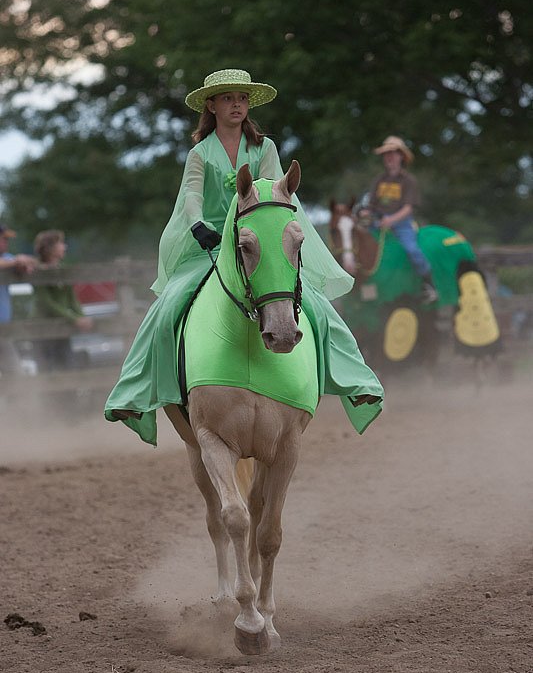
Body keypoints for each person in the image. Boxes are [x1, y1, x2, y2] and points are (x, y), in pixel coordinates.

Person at [105, 69, 383, 444]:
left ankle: (355, 381)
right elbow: (190, 195)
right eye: (228, 98)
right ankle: (134, 393)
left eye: (242, 98)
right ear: (211, 105)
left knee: (316, 303)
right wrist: (198, 224)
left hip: (260, 241)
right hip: (212, 244)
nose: (236, 104)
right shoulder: (199, 153)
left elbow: (275, 190)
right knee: (168, 304)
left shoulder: (265, 147)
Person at [364, 136, 438, 304]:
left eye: (393, 153)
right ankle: (365, 289)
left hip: (402, 224)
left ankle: (429, 285)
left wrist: (391, 220)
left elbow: (409, 208)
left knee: (412, 250)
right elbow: (371, 205)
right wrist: (365, 213)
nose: (389, 156)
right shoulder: (379, 180)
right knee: (362, 247)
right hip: (378, 223)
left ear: (401, 157)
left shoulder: (408, 181)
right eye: (386, 153)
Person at [33, 230, 93, 369]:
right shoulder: (38, 272)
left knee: (67, 365)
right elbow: (47, 303)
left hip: (62, 326)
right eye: (60, 243)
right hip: (42, 329)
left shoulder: (63, 271)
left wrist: (82, 317)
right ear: (50, 248)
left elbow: (72, 299)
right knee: (47, 368)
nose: (64, 247)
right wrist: (74, 319)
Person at [0, 223, 36, 374]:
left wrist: (22, 263)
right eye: (3, 239)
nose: (6, 243)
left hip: (3, 330)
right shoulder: (8, 260)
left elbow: (28, 265)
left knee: (16, 373)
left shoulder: (6, 259)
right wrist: (17, 261)